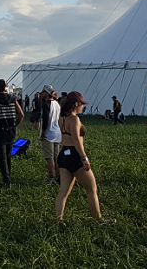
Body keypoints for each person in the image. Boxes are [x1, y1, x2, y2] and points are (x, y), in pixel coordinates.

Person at [54, 91, 111, 223]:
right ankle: (98, 219)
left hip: (64, 154)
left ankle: (58, 220)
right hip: (74, 155)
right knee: (91, 189)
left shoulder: (61, 118)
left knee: (64, 191)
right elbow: (76, 140)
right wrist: (84, 157)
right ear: (76, 104)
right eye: (81, 104)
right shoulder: (74, 119)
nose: (82, 107)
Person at [0, 79, 24, 188]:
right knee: (8, 156)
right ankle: (8, 177)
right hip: (11, 131)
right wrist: (15, 125)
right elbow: (21, 114)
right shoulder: (13, 99)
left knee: (2, 157)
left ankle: (6, 181)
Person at [39, 85, 62, 185]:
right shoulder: (57, 104)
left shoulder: (46, 105)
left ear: (47, 94)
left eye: (43, 92)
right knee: (56, 157)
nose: (41, 93)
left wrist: (43, 134)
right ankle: (59, 176)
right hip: (57, 132)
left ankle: (51, 178)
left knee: (49, 157)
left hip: (49, 132)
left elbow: (45, 120)